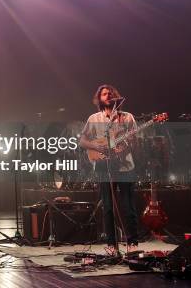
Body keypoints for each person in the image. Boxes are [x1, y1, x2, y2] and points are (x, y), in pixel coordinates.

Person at [79, 84, 139, 254]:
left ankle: (132, 243)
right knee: (107, 206)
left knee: (128, 206)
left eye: (110, 93)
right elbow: (82, 141)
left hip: (125, 166)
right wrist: (98, 148)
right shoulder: (94, 119)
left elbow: (134, 141)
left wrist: (123, 149)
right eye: (104, 94)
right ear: (99, 98)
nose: (108, 95)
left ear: (116, 97)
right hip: (103, 166)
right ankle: (111, 245)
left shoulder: (127, 118)